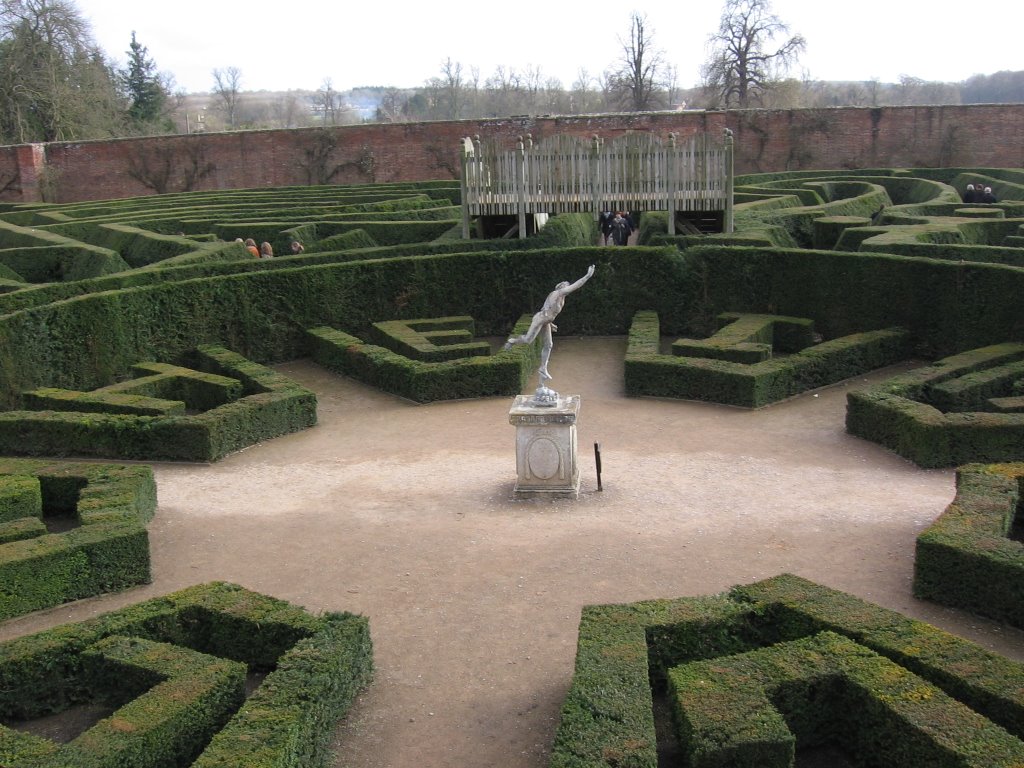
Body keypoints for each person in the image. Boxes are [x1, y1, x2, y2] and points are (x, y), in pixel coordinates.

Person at [504, 265, 596, 386]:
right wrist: (588, 276)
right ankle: (511, 341)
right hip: (539, 319)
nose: (568, 287)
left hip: (546, 322)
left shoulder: (561, 298)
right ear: (561, 287)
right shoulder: (558, 292)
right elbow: (576, 286)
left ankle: (543, 368)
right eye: (566, 285)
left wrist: (551, 323)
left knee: (549, 345)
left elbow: (548, 310)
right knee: (527, 340)